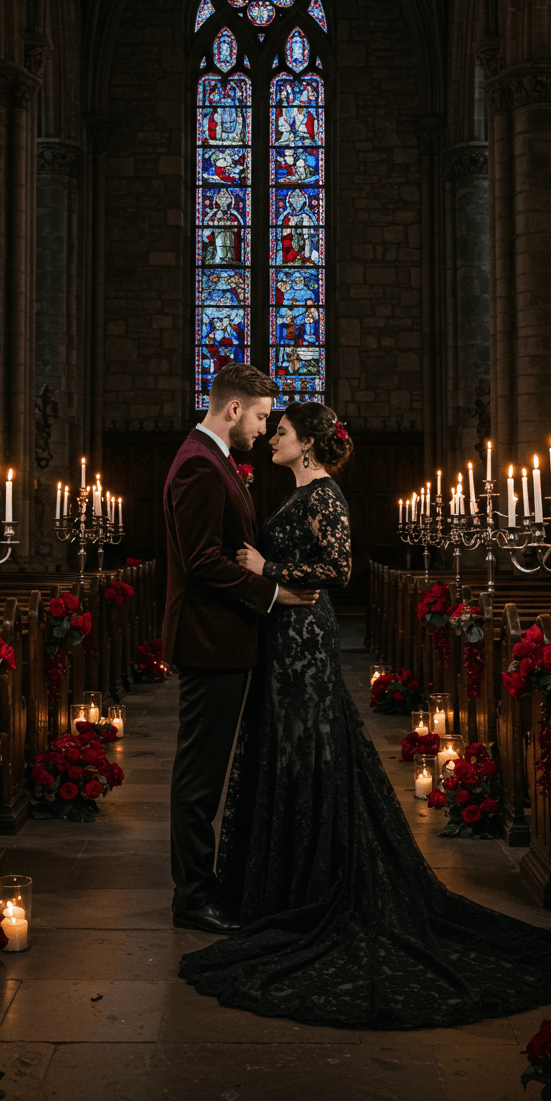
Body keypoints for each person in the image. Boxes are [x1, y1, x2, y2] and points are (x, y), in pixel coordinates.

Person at [179, 400, 551, 1028]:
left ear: (307, 443)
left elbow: (339, 569)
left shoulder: (326, 494)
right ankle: (280, 883)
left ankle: (314, 883)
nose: (271, 439)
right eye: (271, 428)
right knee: (284, 749)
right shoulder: (295, 490)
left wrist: (267, 568)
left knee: (309, 749)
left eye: (280, 432)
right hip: (282, 636)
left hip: (304, 639)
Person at [162, 364, 318, 935]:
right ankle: (193, 897)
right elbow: (203, 561)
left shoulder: (215, 460)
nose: (262, 427)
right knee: (200, 776)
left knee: (207, 770)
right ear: (233, 410)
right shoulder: (200, 467)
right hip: (209, 640)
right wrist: (274, 592)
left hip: (223, 638)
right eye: (258, 416)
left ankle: (203, 885)